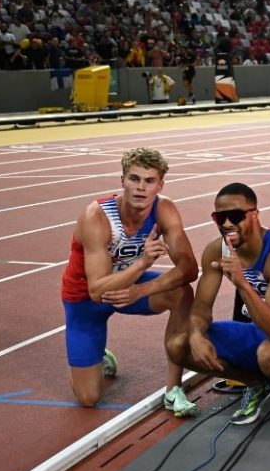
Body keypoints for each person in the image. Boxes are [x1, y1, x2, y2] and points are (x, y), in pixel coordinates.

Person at [171, 183, 270, 436]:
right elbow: (200, 308)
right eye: (221, 217)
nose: (227, 223)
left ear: (254, 214)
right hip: (259, 330)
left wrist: (242, 283)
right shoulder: (216, 249)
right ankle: (256, 384)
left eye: (236, 215)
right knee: (179, 345)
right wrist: (197, 335)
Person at [60, 147, 199, 415]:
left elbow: (189, 268)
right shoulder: (96, 217)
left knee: (182, 293)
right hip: (86, 299)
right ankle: (98, 354)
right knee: (88, 399)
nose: (141, 188)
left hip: (131, 285)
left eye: (149, 181)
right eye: (134, 179)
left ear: (160, 184)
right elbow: (98, 290)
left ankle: (173, 390)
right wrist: (143, 264)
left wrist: (141, 290)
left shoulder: (164, 210)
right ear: (122, 180)